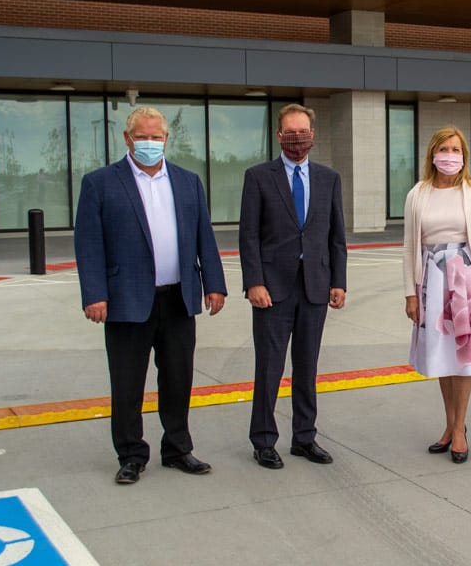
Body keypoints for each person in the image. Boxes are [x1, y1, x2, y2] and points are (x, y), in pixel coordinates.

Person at [74, 106, 227, 485]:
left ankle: (177, 448)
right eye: (142, 137)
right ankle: (131, 455)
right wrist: (94, 294)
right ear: (127, 139)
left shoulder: (188, 182)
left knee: (178, 379)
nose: (149, 143)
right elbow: (88, 244)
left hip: (178, 298)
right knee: (127, 383)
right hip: (126, 299)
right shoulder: (100, 184)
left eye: (156, 137)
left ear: (166, 139)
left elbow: (204, 236)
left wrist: (215, 284)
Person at [239, 103, 347, 470]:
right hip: (272, 290)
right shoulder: (258, 177)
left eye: (303, 133)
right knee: (269, 367)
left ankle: (304, 437)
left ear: (312, 135)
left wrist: (339, 281)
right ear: (279, 135)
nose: (297, 139)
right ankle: (263, 440)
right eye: (290, 133)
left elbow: (336, 237)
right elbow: (248, 235)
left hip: (315, 287)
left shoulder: (328, 178)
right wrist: (254, 282)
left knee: (307, 367)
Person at [403, 126, 471, 464]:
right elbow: (409, 248)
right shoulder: (417, 194)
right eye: (444, 149)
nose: (450, 155)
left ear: (464, 156)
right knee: (441, 355)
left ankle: (459, 428)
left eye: (456, 149)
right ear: (433, 153)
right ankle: (450, 425)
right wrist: (410, 294)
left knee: (462, 355)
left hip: (467, 281)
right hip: (431, 281)